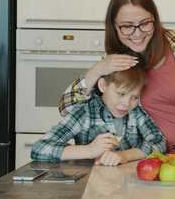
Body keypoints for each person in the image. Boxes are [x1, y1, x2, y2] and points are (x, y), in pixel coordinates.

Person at [58, 0, 175, 153]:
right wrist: (97, 69)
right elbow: (68, 109)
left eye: (145, 23)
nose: (137, 33)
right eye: (127, 26)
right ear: (114, 27)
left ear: (154, 20)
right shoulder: (114, 66)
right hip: (147, 161)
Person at [31, 60, 166, 165]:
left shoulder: (136, 113)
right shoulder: (85, 112)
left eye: (134, 97)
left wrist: (124, 156)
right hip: (90, 183)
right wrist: (89, 150)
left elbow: (159, 142)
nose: (126, 103)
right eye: (121, 94)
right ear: (103, 86)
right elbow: (39, 148)